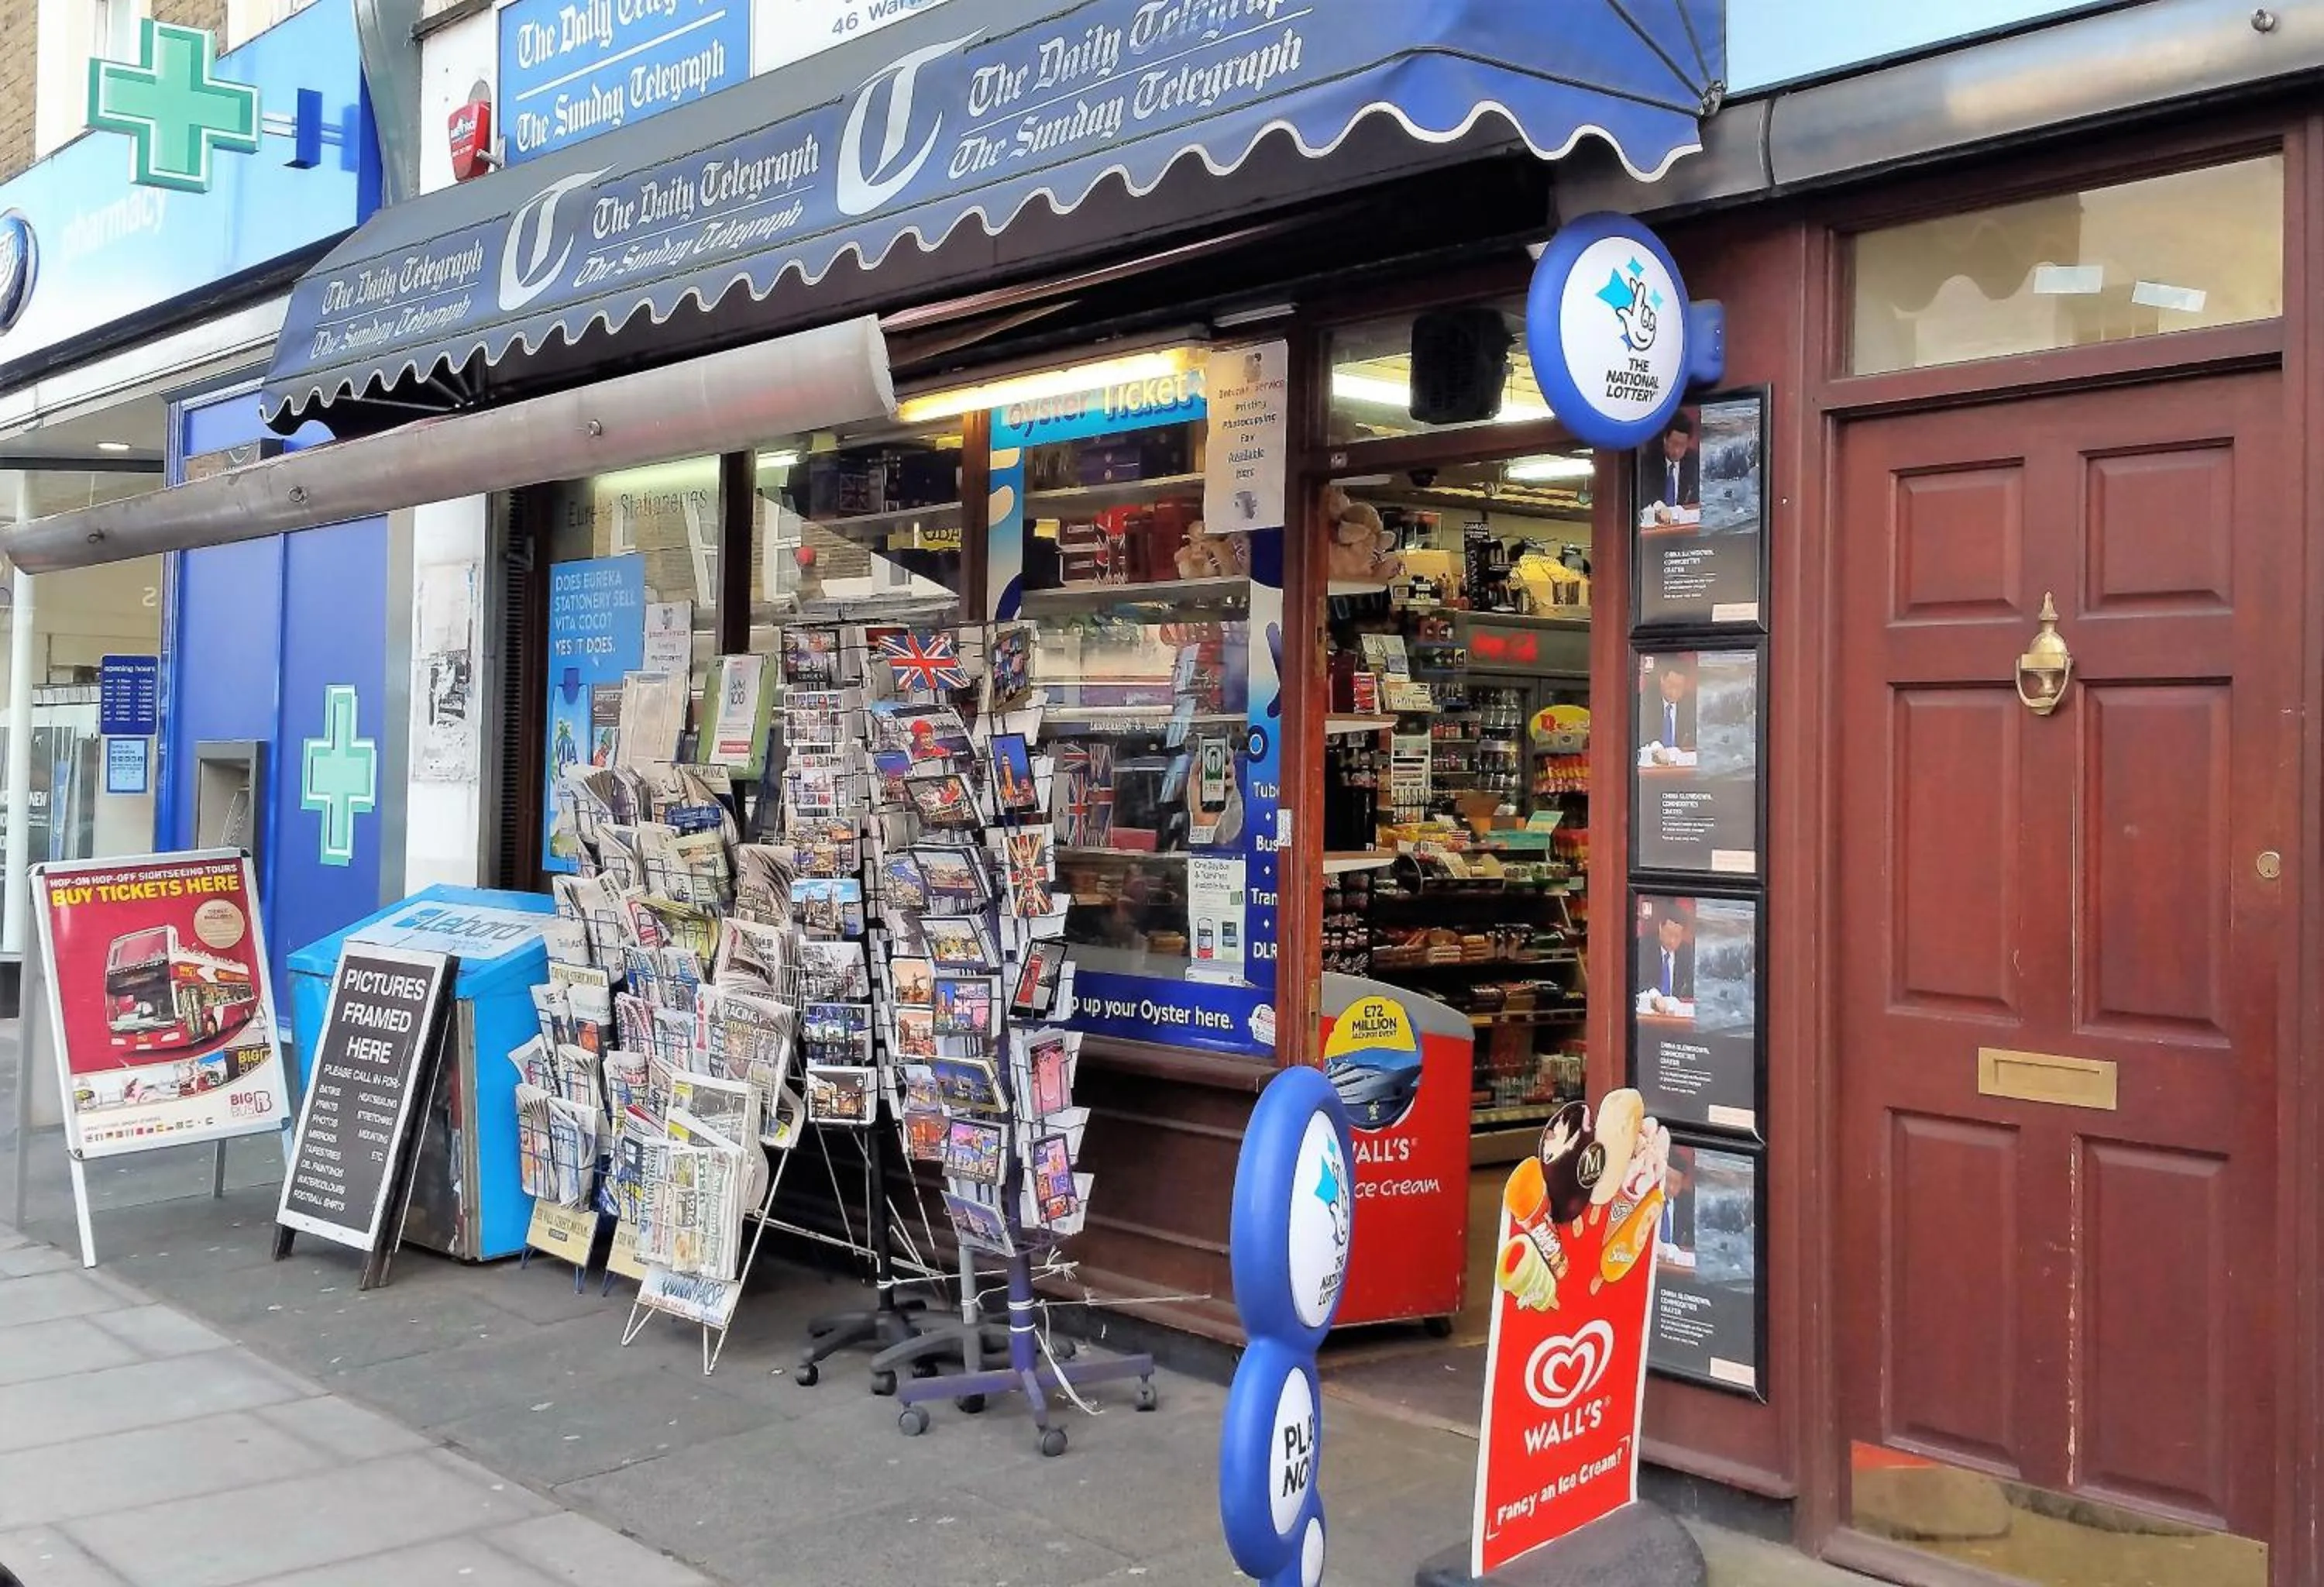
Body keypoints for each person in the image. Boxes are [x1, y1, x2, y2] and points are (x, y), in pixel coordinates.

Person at [1652, 410, 1700, 508]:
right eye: (1674, 443)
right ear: (1665, 439)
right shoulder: (1649, 460)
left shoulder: (1693, 462)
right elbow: (1647, 492)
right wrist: (1658, 506)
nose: (1677, 451)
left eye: (1682, 445)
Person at [1643, 661, 1696, 751]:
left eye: (1679, 687)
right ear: (1662, 680)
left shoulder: (1691, 707)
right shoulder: (1646, 702)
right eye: (1671, 686)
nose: (1674, 692)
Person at [1644, 910, 1695, 1002]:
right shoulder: (1644, 947)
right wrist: (1655, 997)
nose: (1672, 941)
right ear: (1660, 928)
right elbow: (1641, 982)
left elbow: (1691, 985)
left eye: (1677, 936)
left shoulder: (1687, 953)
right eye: (1669, 934)